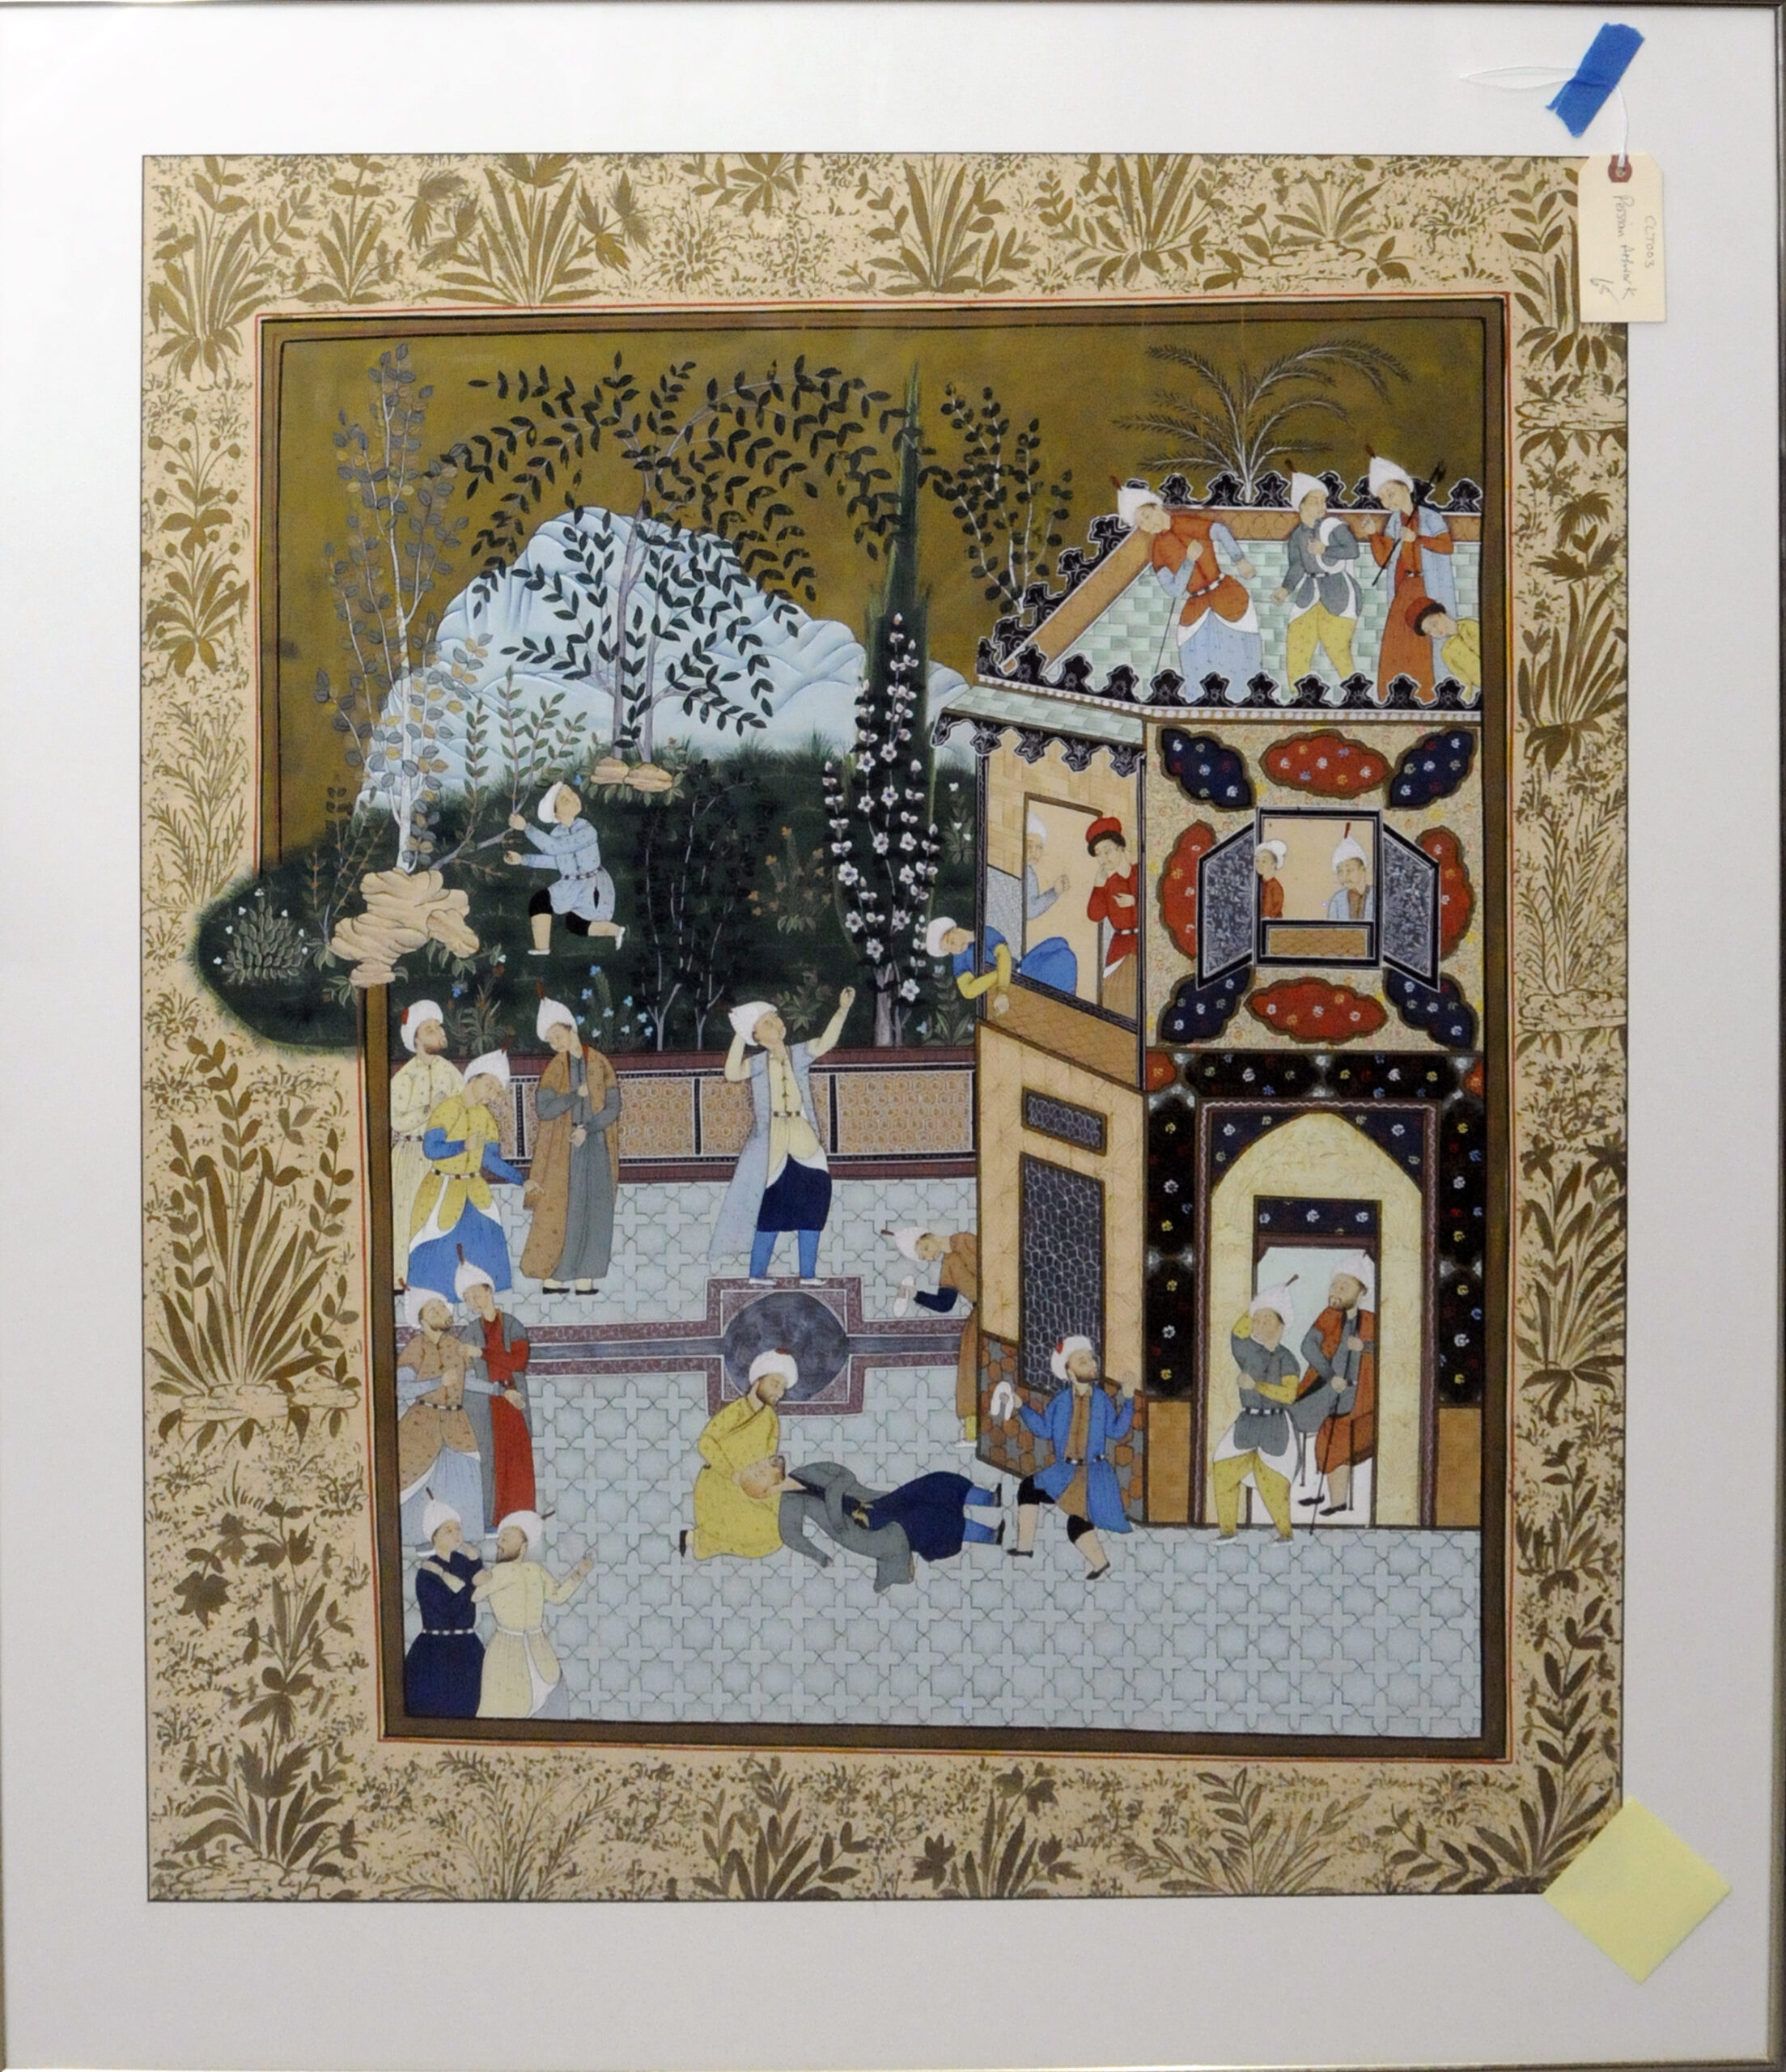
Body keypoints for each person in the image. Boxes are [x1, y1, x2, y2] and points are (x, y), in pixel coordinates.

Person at [707, 991, 854, 1281]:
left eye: (775, 1019)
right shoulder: (759, 1064)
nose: (776, 1024)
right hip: (773, 1142)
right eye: (767, 1023)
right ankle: (757, 1274)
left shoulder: (798, 1053)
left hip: (803, 1137)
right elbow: (732, 1072)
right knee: (771, 1209)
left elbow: (826, 1042)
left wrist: (842, 1010)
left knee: (814, 1202)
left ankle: (808, 1274)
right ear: (756, 1036)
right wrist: (740, 1036)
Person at [1000, 1335, 1136, 1579]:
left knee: (1077, 1523)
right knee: (1029, 1488)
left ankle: (1100, 1563)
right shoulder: (1061, 1402)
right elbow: (1044, 1430)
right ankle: (1025, 1547)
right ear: (1069, 1371)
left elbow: (1117, 1431)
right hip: (1064, 1471)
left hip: (1093, 1474)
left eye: (1091, 1359)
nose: (1091, 1364)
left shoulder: (1102, 1400)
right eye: (1083, 1361)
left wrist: (1128, 1401)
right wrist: (1021, 1407)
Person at [520, 998, 621, 1295]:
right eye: (550, 1040)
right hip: (563, 1150)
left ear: (570, 1028)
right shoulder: (555, 1067)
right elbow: (544, 1109)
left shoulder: (600, 1062)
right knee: (565, 1210)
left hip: (597, 1144)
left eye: (557, 1035)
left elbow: (613, 1106)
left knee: (597, 1209)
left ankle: (586, 1276)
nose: (555, 1043)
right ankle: (557, 1275)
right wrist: (576, 1095)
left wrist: (588, 1129)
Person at [405, 1051, 525, 1300]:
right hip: (442, 1189)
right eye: (489, 1085)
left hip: (474, 1191)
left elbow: (489, 1160)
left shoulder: (485, 1117)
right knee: (435, 1244)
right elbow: (431, 1149)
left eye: (496, 1091)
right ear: (473, 1078)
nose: (491, 1094)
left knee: (485, 1243)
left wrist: (522, 1180)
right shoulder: (448, 1109)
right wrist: (463, 1145)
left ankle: (480, 1302)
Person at [473, 1511, 593, 1720]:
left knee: (549, 1697)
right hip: (506, 1652)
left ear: (524, 1546)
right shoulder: (498, 1573)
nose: (500, 1542)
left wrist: (578, 1575)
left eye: (506, 1537)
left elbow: (557, 1596)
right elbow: (475, 1596)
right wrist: (476, 1578)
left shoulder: (535, 1570)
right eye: (500, 1538)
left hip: (540, 1650)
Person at [1136, 498, 1262, 693]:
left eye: (1147, 516)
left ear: (1158, 507)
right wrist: (1189, 561)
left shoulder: (1186, 523)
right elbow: (1174, 590)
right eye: (1141, 524)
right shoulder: (1157, 550)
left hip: (1227, 596)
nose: (1147, 524)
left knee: (1241, 659)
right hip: (1197, 608)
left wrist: (1239, 559)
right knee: (1198, 665)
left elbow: (1219, 530)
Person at [1211, 1284, 1304, 1539]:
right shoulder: (1248, 1351)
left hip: (1275, 1426)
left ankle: (1285, 1534)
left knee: (1274, 1484)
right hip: (1247, 1423)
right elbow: (1236, 1333)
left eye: (1267, 1320)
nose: (1259, 1325)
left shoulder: (1287, 1359)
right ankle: (1227, 1531)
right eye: (1257, 1320)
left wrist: (1257, 1386)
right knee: (1223, 1469)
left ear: (1281, 1326)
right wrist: (1258, 1303)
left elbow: (1289, 1395)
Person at [1364, 456, 1457, 703]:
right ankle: (1390, 695)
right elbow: (1385, 560)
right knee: (1397, 641)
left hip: (1427, 588)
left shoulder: (1430, 517)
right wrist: (1373, 536)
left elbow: (1447, 547)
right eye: (1383, 498)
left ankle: (1426, 695)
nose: (1388, 501)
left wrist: (1418, 539)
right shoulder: (1394, 522)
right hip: (1404, 590)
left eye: (1391, 493)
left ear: (1406, 487)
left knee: (1424, 643)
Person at [397, 1289, 485, 1547]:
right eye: (434, 1310)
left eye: (443, 1307)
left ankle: (464, 1540)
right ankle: (419, 1539)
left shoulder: (456, 1346)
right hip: (422, 1423)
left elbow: (469, 1382)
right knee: (415, 1477)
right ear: (421, 1319)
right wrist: (438, 1382)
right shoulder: (416, 1347)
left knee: (464, 1475)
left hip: (457, 1423)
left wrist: (500, 1391)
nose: (442, 1312)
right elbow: (401, 1389)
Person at [687, 1350, 795, 1560]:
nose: (780, 1393)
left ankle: (701, 1540)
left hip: (751, 1486)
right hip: (720, 1484)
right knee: (764, 1531)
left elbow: (768, 1463)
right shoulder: (736, 1410)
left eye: (783, 1388)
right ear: (758, 1381)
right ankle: (701, 1540)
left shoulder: (771, 1420)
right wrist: (732, 1473)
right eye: (775, 1384)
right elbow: (706, 1443)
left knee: (780, 1529)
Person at [504, 779, 626, 956]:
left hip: (592, 885)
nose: (573, 798)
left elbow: (557, 848)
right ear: (555, 813)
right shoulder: (556, 834)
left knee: (577, 923)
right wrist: (522, 859)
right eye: (565, 799)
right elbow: (555, 861)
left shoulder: (587, 829)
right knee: (540, 901)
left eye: (571, 793)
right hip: (570, 884)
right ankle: (542, 949)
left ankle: (614, 930)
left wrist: (527, 828)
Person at [389, 1000, 462, 1292]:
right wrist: (427, 1110)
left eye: (438, 1027)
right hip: (411, 1155)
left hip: (443, 1155)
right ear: (416, 1038)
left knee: (441, 1215)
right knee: (406, 1217)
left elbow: (464, 1108)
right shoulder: (404, 1077)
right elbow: (396, 1120)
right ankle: (401, 1277)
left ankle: (438, 1279)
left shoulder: (451, 1073)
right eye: (429, 1029)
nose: (438, 1032)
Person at [456, 1259, 535, 1523]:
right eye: (468, 1300)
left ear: (489, 1291)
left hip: (513, 1401)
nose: (474, 1303)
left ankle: (521, 1520)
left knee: (517, 1461)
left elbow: (518, 1362)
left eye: (477, 1295)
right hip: (484, 1404)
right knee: (489, 1461)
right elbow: (464, 1375)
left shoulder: (512, 1325)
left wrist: (482, 1353)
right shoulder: (469, 1333)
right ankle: (492, 1520)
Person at [1300, 1254, 1377, 1517]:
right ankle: (1324, 1493)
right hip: (1328, 1394)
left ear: (1361, 1292)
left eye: (1345, 1286)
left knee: (1339, 1447)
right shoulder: (1328, 1317)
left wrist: (1364, 1346)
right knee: (1324, 1443)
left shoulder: (1372, 1321)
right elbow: (1308, 1346)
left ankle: (1338, 1503)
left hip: (1359, 1400)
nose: (1337, 1290)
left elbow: (1390, 1350)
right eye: (1335, 1284)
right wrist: (1330, 1375)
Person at [890, 1225, 981, 1441]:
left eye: (924, 1250)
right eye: (923, 1257)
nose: (929, 1257)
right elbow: (944, 1304)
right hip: (982, 1312)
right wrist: (915, 1294)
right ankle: (973, 1432)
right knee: (969, 1366)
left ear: (927, 1236)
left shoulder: (964, 1241)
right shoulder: (948, 1263)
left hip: (1003, 1301)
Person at [1274, 473, 1362, 683]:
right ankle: (1297, 693)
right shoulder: (1297, 536)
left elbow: (1353, 550)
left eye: (1323, 501)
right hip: (1309, 593)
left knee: (1338, 649)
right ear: (1301, 506)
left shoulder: (1333, 526)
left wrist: (1325, 550)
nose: (1322, 507)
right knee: (1297, 642)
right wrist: (1286, 588)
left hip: (1338, 592)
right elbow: (1297, 565)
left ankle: (1354, 692)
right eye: (1315, 501)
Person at [402, 1498, 484, 1718]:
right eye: (448, 1530)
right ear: (434, 1536)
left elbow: (482, 1582)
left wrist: (476, 1564)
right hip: (436, 1650)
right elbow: (448, 1611)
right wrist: (468, 1585)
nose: (456, 1534)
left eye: (458, 1529)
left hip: (467, 1646)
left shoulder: (465, 1563)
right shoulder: (427, 1572)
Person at [1084, 815, 1139, 1018]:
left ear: (1121, 848)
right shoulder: (1108, 882)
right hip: (1119, 946)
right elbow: (1094, 915)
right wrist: (1098, 887)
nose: (1103, 858)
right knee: (1114, 996)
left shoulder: (1139, 873)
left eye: (1107, 851)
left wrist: (1134, 902)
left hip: (1142, 942)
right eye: (1098, 854)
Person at [927, 916, 1012, 1015]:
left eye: (952, 941)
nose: (956, 948)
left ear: (956, 929)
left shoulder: (985, 933)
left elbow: (1004, 955)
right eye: (950, 950)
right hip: (996, 990)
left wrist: (1002, 990)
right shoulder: (959, 958)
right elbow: (967, 991)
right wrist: (1000, 973)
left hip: (1014, 975)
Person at [1409, 601, 1483, 693]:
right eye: (1429, 631)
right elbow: (1464, 683)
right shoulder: (1447, 651)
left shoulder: (1470, 626)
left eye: (1434, 624)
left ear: (1440, 614)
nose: (1435, 631)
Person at [1325, 827, 1374, 922]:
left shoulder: (1377, 896)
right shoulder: (1337, 901)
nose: (1345, 877)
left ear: (1362, 870)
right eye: (1340, 871)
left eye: (1350, 870)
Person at [1255, 840, 1288, 919]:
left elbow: (1273, 911)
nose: (1260, 865)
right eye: (1257, 861)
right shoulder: (1258, 883)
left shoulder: (1275, 887)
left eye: (1264, 861)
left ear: (1274, 864)